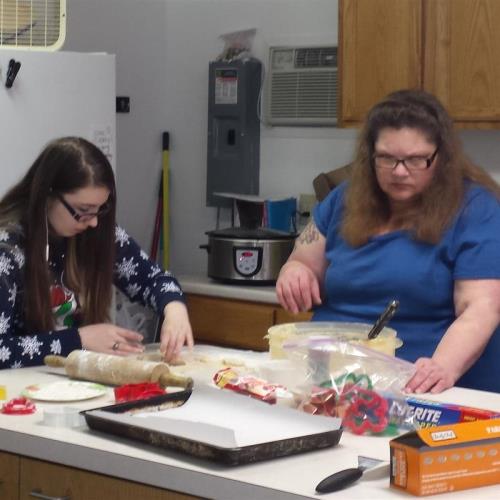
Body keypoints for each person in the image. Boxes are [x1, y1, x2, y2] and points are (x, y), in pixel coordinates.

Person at [276, 89, 500, 394]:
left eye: (416, 160)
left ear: (442, 158)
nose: (399, 171)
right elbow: (303, 259)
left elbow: (480, 308)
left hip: (418, 384)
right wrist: (295, 272)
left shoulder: (475, 209)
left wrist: (441, 368)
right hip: (330, 377)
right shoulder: (344, 198)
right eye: (386, 158)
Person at [0, 137, 193, 369]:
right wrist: (80, 339)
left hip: (70, 382)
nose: (93, 222)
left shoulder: (95, 230)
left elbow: (153, 279)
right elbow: (3, 350)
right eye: (83, 211)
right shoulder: (8, 250)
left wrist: (174, 308)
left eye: (100, 209)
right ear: (47, 194)